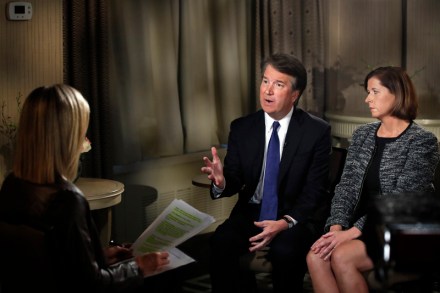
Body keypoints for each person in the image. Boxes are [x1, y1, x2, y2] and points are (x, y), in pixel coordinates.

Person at [0, 84, 170, 292]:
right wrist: (139, 267)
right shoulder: (67, 200)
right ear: (67, 139)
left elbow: (51, 262)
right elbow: (92, 286)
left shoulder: (12, 186)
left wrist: (100, 255)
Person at [201, 53, 332, 292]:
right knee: (221, 242)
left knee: (285, 252)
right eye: (265, 81)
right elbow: (234, 179)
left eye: (278, 84)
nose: (267, 91)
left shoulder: (316, 132)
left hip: (293, 216)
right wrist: (221, 181)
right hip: (251, 213)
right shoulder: (242, 127)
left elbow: (315, 191)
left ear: (295, 95)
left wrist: (284, 222)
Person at [306, 66, 440, 293]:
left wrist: (350, 233)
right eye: (368, 92)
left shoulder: (422, 142)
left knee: (342, 257)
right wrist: (336, 227)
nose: (368, 99)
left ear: (397, 94)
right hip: (364, 226)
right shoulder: (362, 135)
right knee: (316, 257)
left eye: (375, 92)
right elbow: (346, 186)